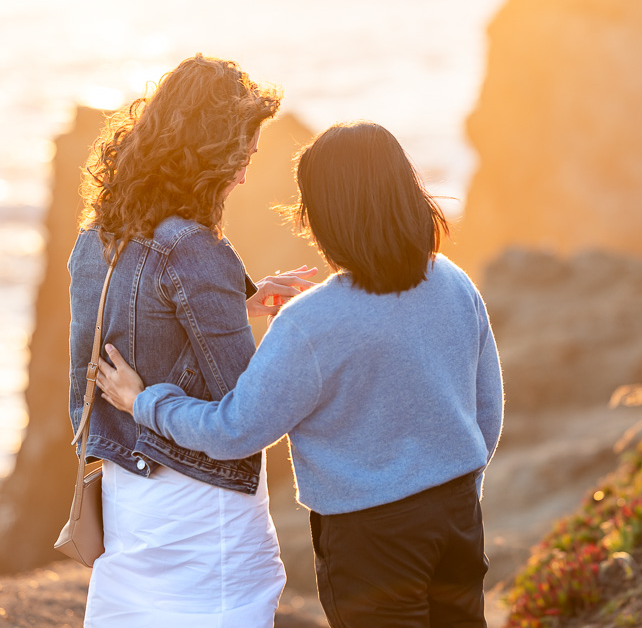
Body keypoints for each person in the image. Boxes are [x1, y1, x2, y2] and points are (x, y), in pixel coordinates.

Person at [97, 120, 505, 628]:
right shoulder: (452, 281)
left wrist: (144, 402)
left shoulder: (311, 324)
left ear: (325, 217)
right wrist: (454, 488)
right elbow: (487, 410)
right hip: (458, 511)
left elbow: (234, 431)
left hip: (370, 538)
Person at [68, 54, 315, 627]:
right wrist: (303, 336)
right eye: (242, 156)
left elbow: (144, 331)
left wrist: (239, 303)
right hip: (204, 512)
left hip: (130, 498)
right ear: (209, 148)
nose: (245, 175)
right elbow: (243, 414)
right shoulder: (195, 249)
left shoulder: (95, 241)